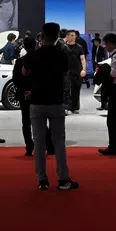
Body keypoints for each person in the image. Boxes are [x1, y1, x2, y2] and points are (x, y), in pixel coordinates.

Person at [21, 23, 78, 190]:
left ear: (42, 36)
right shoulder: (62, 55)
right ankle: (63, 179)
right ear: (56, 37)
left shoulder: (34, 55)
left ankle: (42, 180)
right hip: (56, 101)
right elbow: (66, 74)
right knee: (59, 141)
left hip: (37, 102)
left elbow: (24, 72)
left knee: (39, 143)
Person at [62, 30, 86, 114]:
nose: (74, 37)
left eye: (74, 35)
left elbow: (82, 59)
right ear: (67, 36)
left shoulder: (79, 47)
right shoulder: (63, 47)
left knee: (76, 89)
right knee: (66, 89)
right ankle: (66, 107)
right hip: (66, 71)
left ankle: (75, 107)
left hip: (77, 71)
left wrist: (83, 69)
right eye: (72, 35)